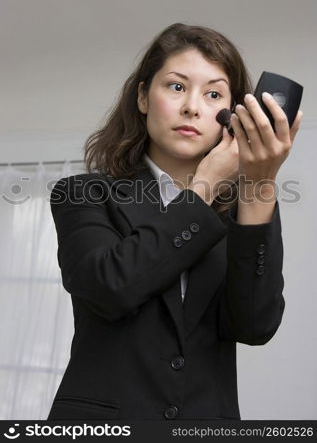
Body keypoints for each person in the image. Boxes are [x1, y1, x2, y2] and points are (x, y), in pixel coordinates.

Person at [47, 23, 302, 421]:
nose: (192, 108)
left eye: (213, 94)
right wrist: (203, 188)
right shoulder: (82, 193)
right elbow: (109, 286)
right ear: (143, 97)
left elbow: (255, 326)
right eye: (177, 87)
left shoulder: (243, 210)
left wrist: (260, 185)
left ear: (231, 115)